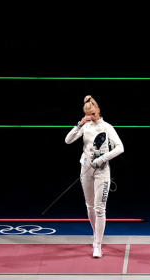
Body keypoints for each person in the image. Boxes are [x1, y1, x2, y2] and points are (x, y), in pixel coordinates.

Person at [64, 96, 124, 258]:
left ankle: (97, 244)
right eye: (88, 114)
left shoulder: (107, 127)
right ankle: (96, 234)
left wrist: (102, 159)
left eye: (93, 113)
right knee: (89, 206)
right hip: (86, 170)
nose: (92, 116)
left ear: (98, 110)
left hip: (102, 171)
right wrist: (79, 124)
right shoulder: (85, 126)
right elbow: (68, 140)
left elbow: (120, 148)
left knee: (99, 208)